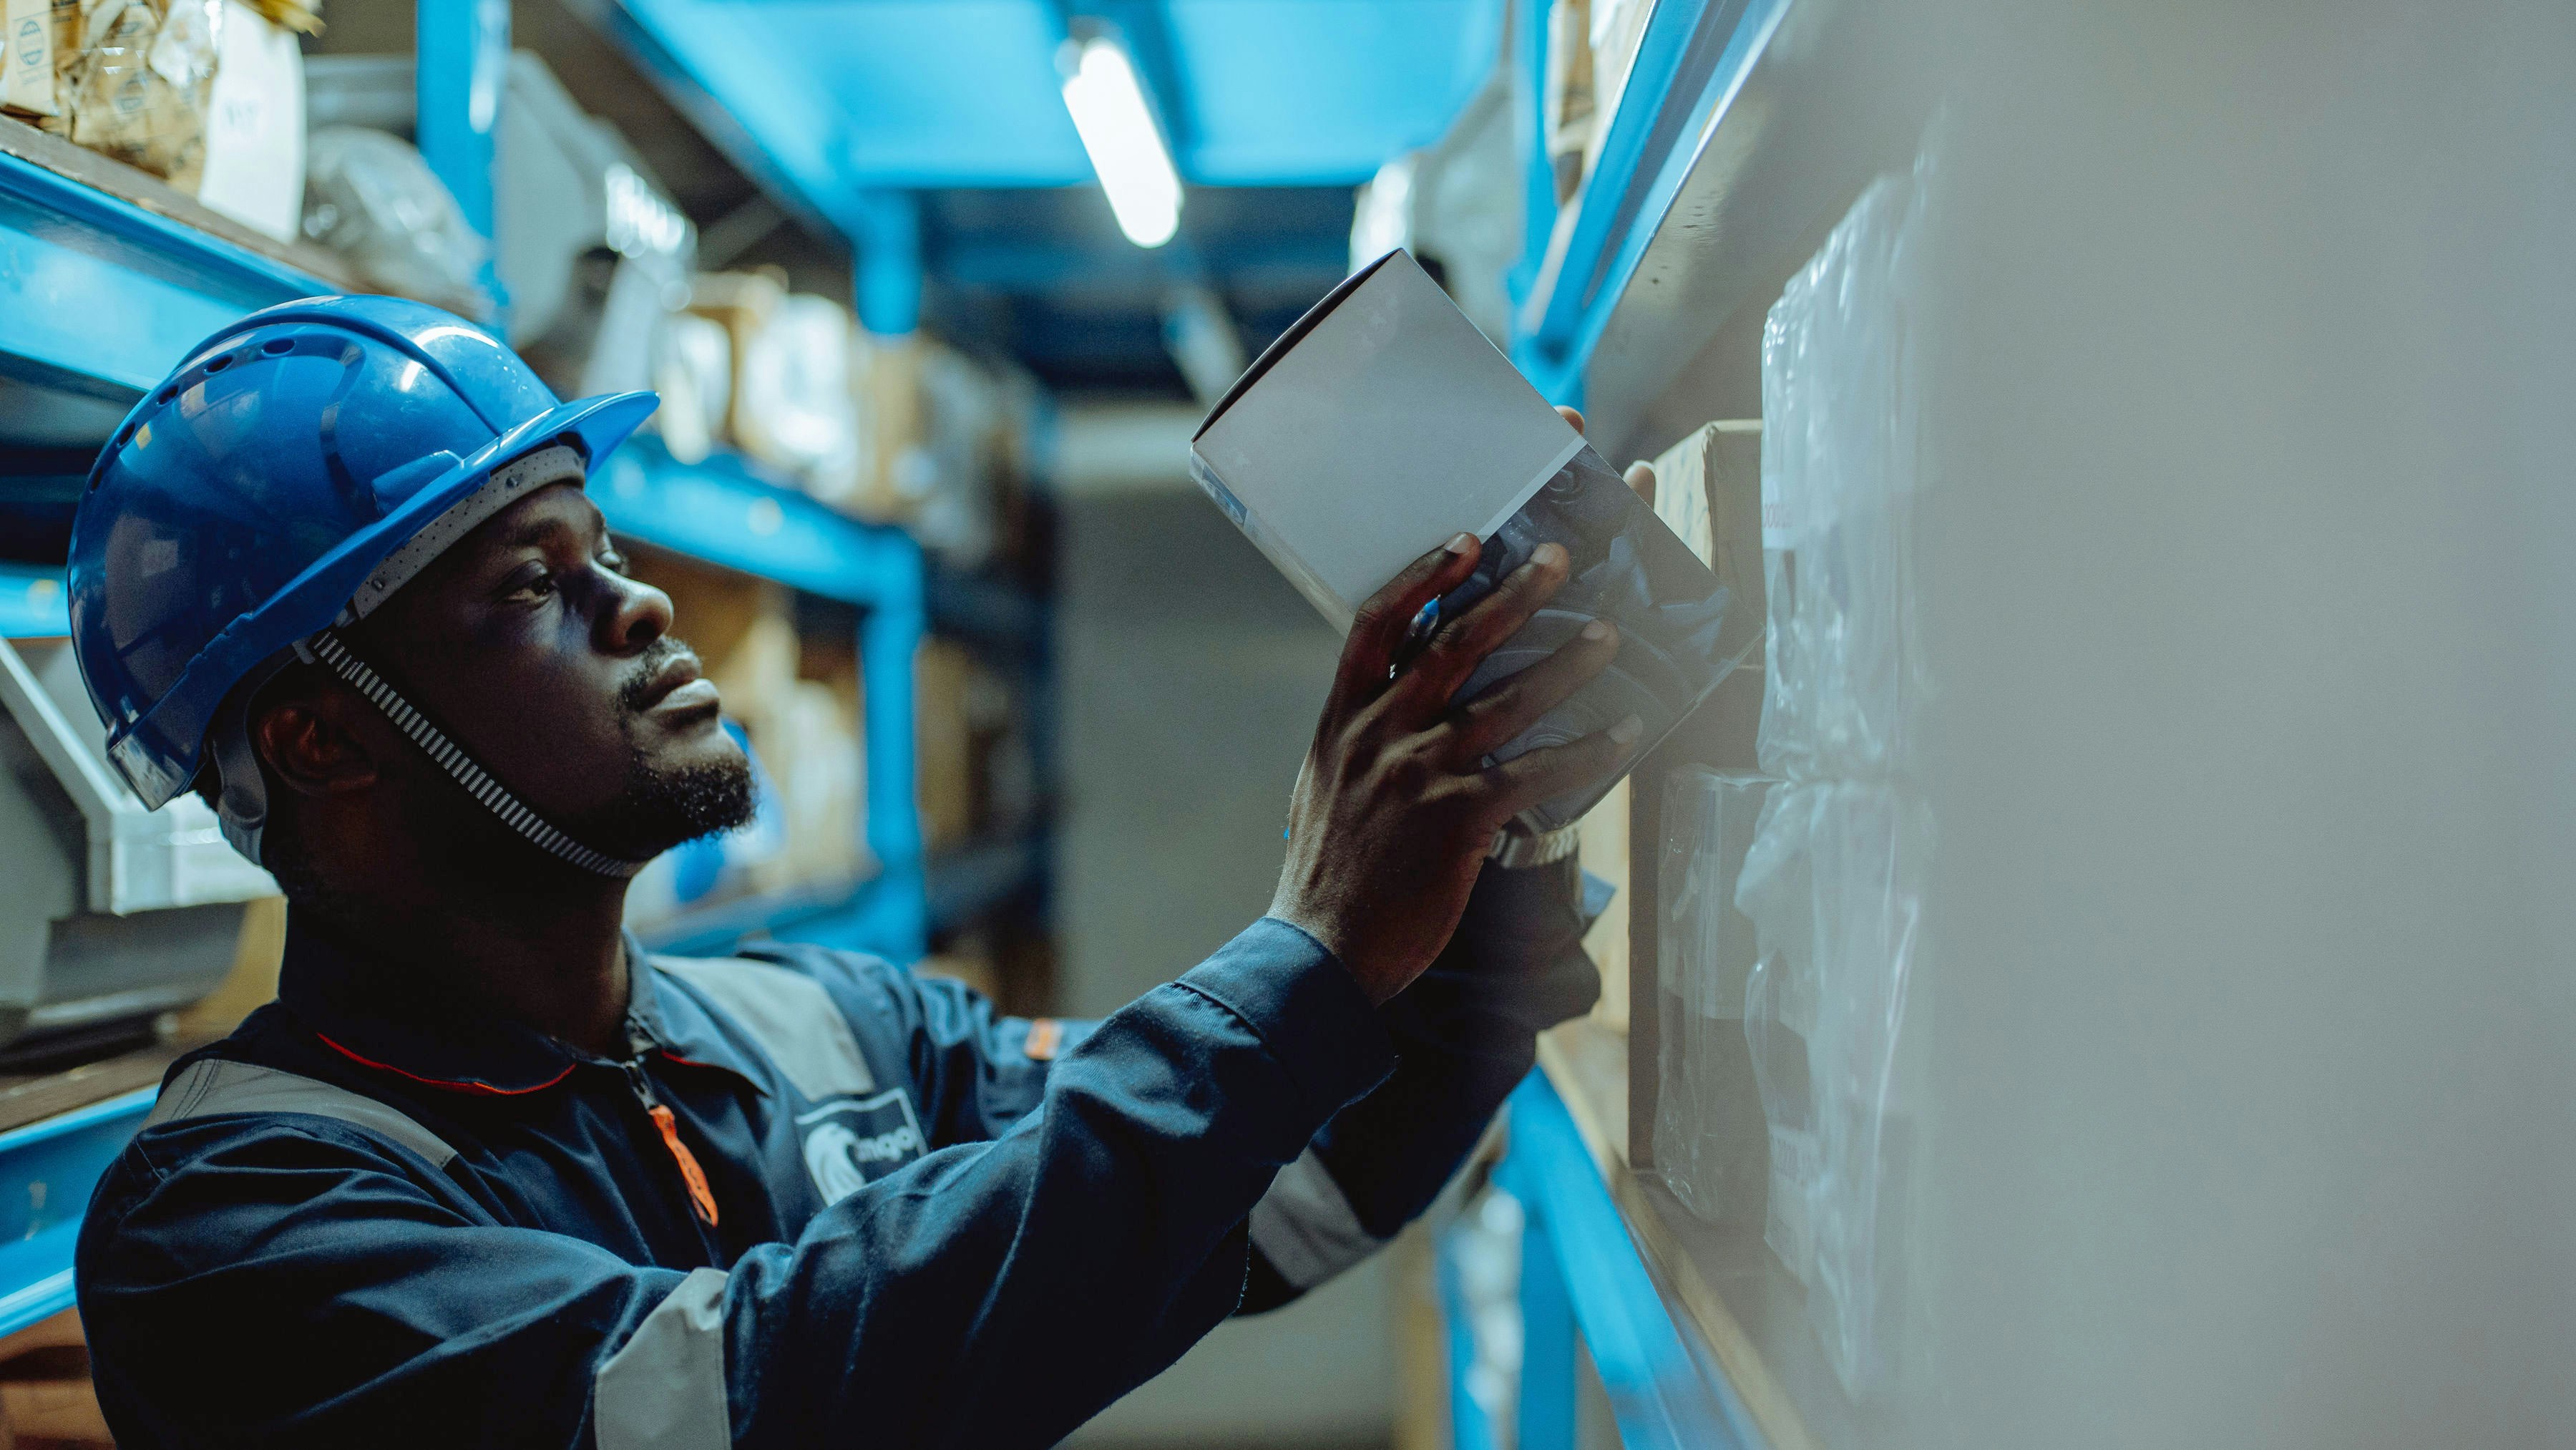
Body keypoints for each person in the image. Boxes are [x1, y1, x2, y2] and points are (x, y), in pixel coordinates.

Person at [65, 296, 1646, 1449]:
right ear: (329, 738)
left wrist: (1490, 834)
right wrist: (1302, 949)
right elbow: (755, 1391)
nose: (641, 607)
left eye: (608, 549)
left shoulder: (819, 1029)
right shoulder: (235, 1224)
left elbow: (1273, 1192)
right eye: (533, 587)